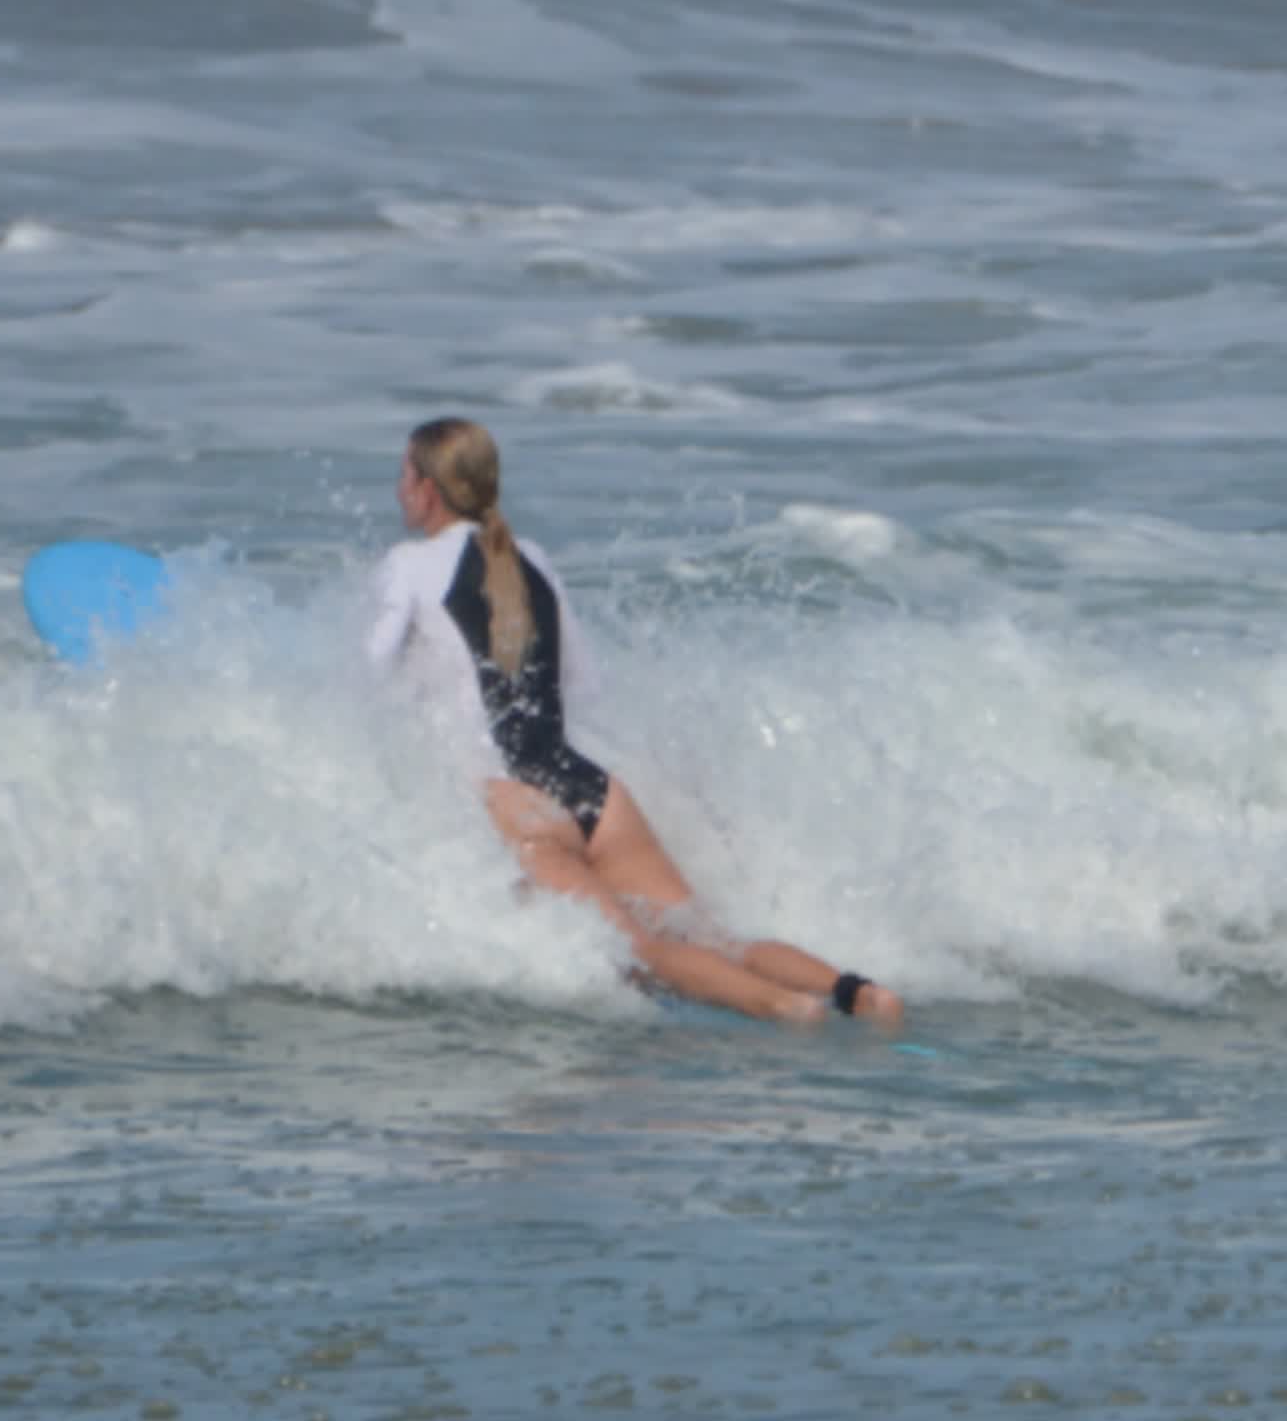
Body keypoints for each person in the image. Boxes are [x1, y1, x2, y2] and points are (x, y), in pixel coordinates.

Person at [366, 417, 905, 1031]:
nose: (398, 489)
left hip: (517, 801)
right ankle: (858, 993)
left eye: (404, 475)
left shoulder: (406, 565)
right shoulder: (529, 559)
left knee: (641, 954)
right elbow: (584, 686)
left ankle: (789, 1009)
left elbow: (366, 679)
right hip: (588, 788)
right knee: (714, 939)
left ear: (429, 488)